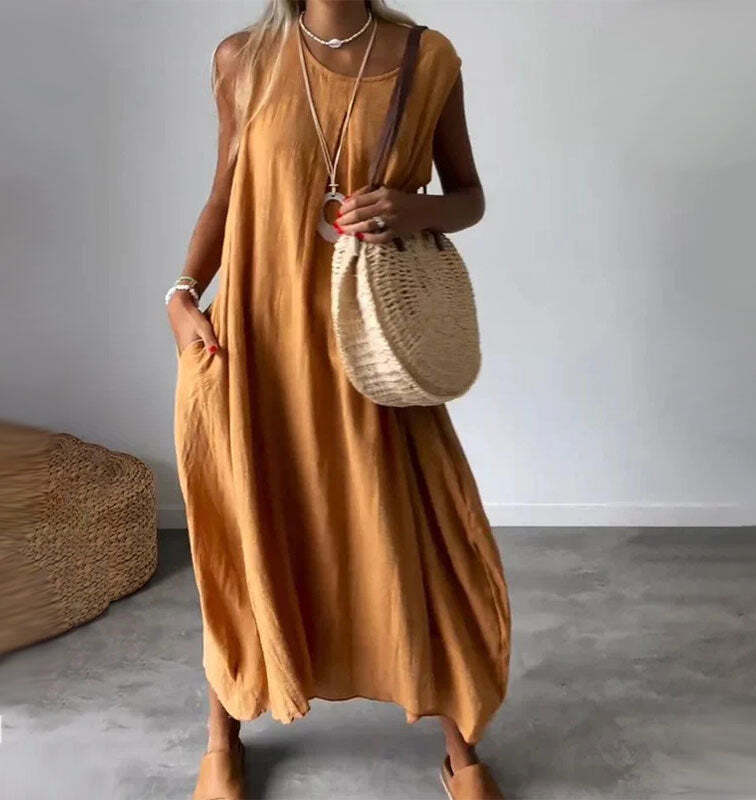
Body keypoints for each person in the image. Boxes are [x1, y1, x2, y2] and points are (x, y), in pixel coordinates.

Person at [167, 2, 511, 798]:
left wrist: (412, 208)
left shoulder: (427, 58)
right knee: (246, 529)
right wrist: (182, 293)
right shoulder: (243, 58)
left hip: (371, 341)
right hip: (256, 339)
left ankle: (459, 747)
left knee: (417, 529)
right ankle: (222, 735)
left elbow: (468, 197)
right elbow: (225, 191)